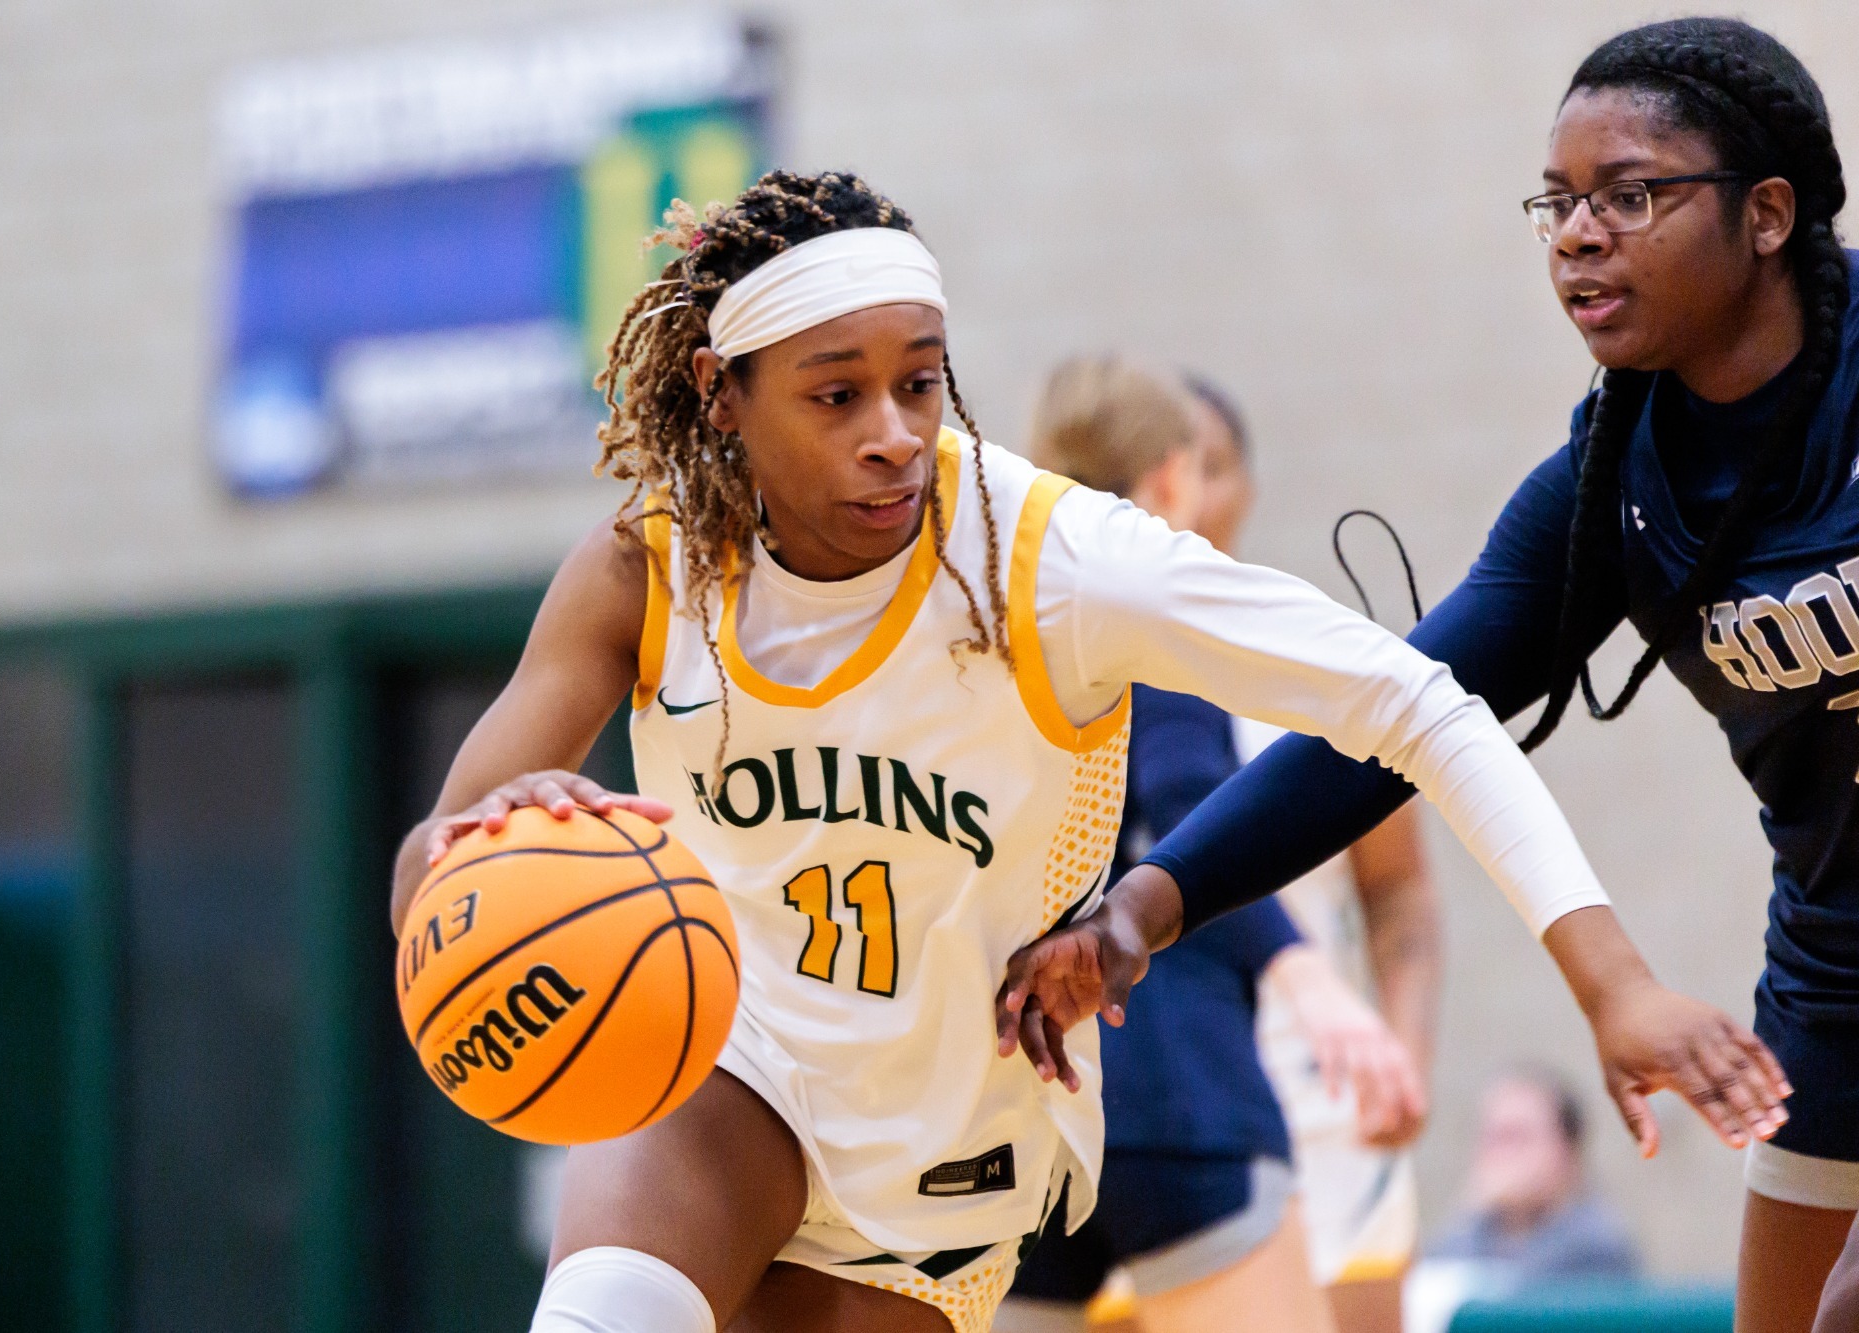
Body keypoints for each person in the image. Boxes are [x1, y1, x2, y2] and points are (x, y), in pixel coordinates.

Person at [391, 168, 1774, 1333]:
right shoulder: (646, 569)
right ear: (722, 391)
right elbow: (428, 882)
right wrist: (500, 856)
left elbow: (1418, 700)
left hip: (950, 1136)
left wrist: (1611, 977)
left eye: (920, 383)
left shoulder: (1049, 555)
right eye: (836, 395)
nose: (893, 435)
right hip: (728, 1066)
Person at [999, 17, 1852, 1333]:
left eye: (1630, 195)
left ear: (1769, 214)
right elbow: (1381, 720)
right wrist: (1141, 913)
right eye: (1557, 202)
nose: (1578, 233)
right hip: (1836, 970)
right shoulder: (1611, 486)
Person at [995, 359, 1427, 1333]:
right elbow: (1189, 804)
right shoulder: (1153, 625)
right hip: (1184, 1091)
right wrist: (1309, 982)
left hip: (1016, 1101)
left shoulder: (992, 634)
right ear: (1166, 484)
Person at [1425, 1067, 1638, 1286]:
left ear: (1567, 1149)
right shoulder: (1473, 1232)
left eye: (1515, 1137)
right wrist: (1467, 1213)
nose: (1501, 1155)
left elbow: (1521, 1298)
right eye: (1492, 1138)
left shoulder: (1598, 1246)